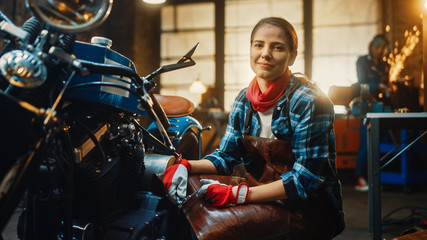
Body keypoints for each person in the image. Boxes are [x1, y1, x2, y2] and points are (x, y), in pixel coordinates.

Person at [163, 16, 345, 239]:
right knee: (186, 195)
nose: (265, 53)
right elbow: (226, 156)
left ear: (292, 56)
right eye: (259, 45)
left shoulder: (311, 101)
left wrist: (238, 195)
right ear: (250, 49)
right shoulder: (243, 100)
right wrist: (184, 165)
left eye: (277, 47)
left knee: (212, 232)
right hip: (262, 192)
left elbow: (303, 181)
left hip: (306, 210)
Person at [355, 34, 390, 191]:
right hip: (368, 106)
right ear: (373, 46)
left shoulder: (384, 64)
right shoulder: (363, 61)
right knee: (367, 142)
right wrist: (378, 85)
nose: (380, 51)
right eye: (378, 47)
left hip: (383, 106)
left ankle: (376, 178)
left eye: (383, 48)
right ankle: (360, 178)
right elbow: (362, 83)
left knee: (382, 142)